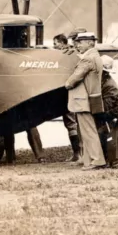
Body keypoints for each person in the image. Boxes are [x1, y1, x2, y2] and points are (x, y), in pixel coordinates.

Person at [64, 32, 106, 170]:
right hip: (90, 99)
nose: (78, 45)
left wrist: (67, 84)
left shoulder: (87, 59)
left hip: (83, 100)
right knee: (86, 130)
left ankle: (97, 160)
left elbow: (75, 78)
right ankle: (89, 160)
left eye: (80, 42)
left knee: (88, 131)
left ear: (89, 43)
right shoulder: (95, 56)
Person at [53, 33, 81, 162]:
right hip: (68, 93)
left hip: (68, 94)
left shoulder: (68, 54)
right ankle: (78, 153)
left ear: (63, 43)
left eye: (56, 44)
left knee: (71, 123)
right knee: (72, 123)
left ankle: (77, 154)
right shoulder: (73, 53)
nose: (54, 47)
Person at [97, 55, 118, 160]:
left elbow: (106, 106)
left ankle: (107, 158)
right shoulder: (103, 81)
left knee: (103, 132)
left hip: (115, 112)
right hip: (112, 111)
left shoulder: (109, 85)